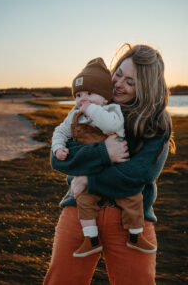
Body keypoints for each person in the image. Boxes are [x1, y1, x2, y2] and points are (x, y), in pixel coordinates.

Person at [43, 44, 175, 285]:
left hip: (130, 220)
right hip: (78, 213)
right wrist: (104, 152)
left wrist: (88, 179)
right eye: (118, 74)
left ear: (146, 87)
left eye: (130, 82)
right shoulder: (86, 107)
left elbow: (137, 174)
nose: (118, 84)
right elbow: (59, 158)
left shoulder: (157, 122)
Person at [51, 57, 156, 258]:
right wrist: (58, 148)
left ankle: (135, 235)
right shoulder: (75, 114)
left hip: (120, 192)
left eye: (130, 81)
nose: (83, 99)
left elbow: (110, 127)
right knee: (85, 204)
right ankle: (91, 239)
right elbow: (58, 149)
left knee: (132, 199)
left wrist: (88, 179)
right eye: (79, 94)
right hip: (82, 195)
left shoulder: (110, 110)